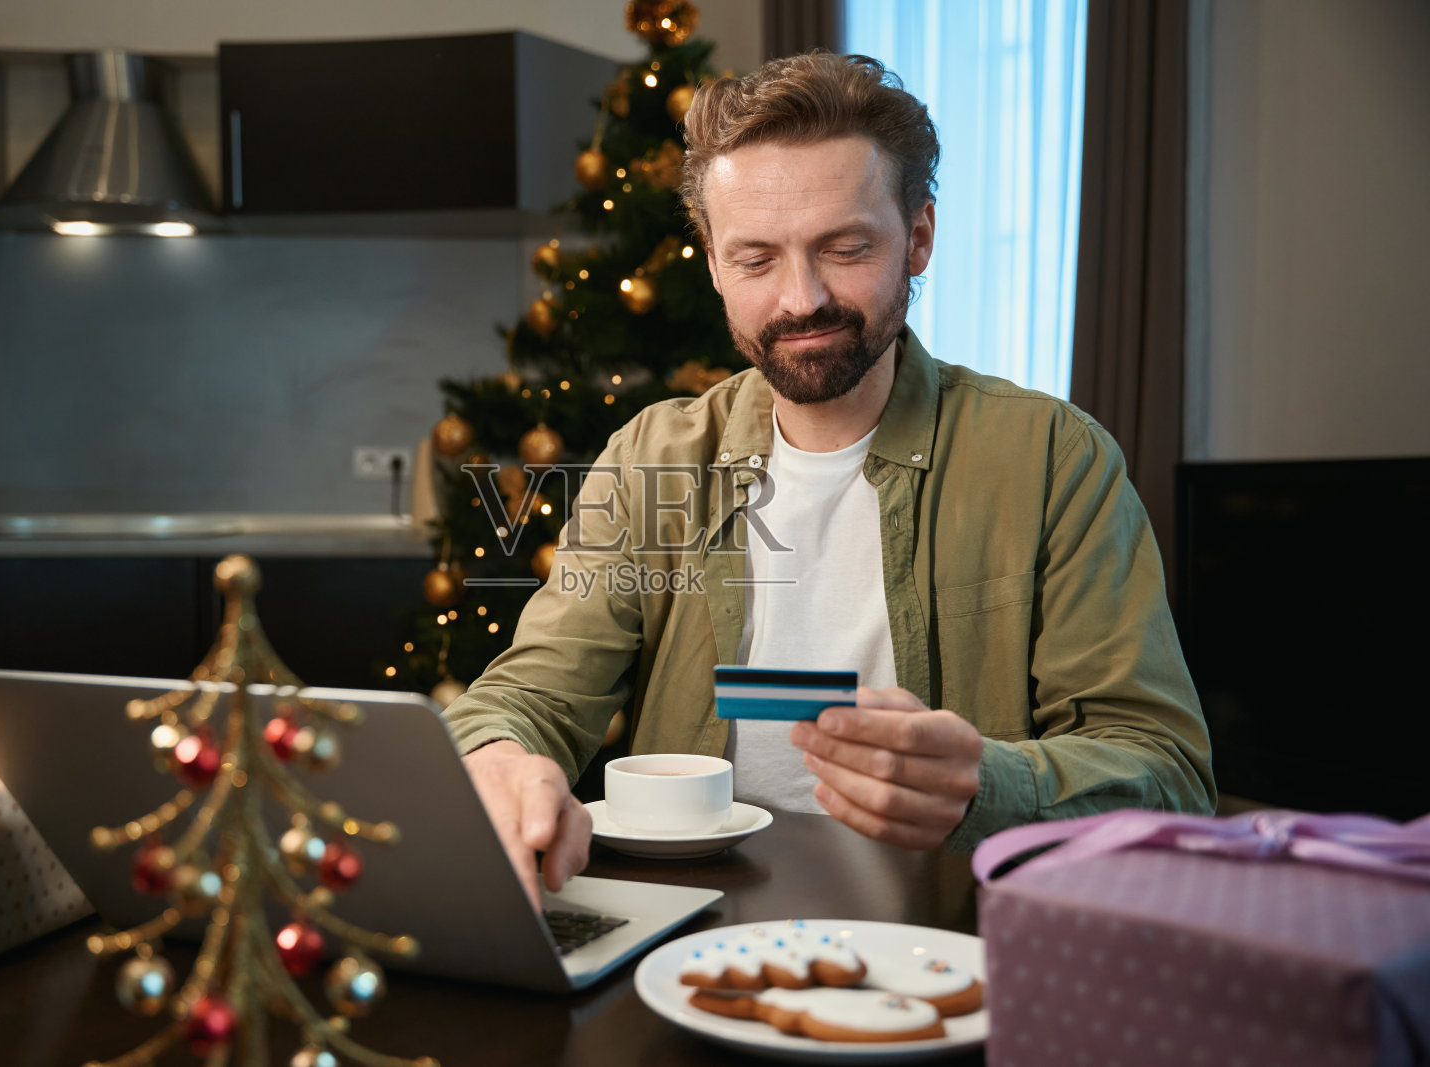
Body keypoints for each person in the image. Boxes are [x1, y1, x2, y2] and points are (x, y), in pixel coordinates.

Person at [441, 52, 1215, 916]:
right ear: (712, 264)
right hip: (691, 941)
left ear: (918, 236)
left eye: (845, 249)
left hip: (951, 940)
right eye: (757, 259)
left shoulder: (1052, 459)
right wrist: (497, 753)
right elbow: (534, 691)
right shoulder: (651, 458)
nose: (801, 299)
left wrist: (989, 785)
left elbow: (1166, 771)